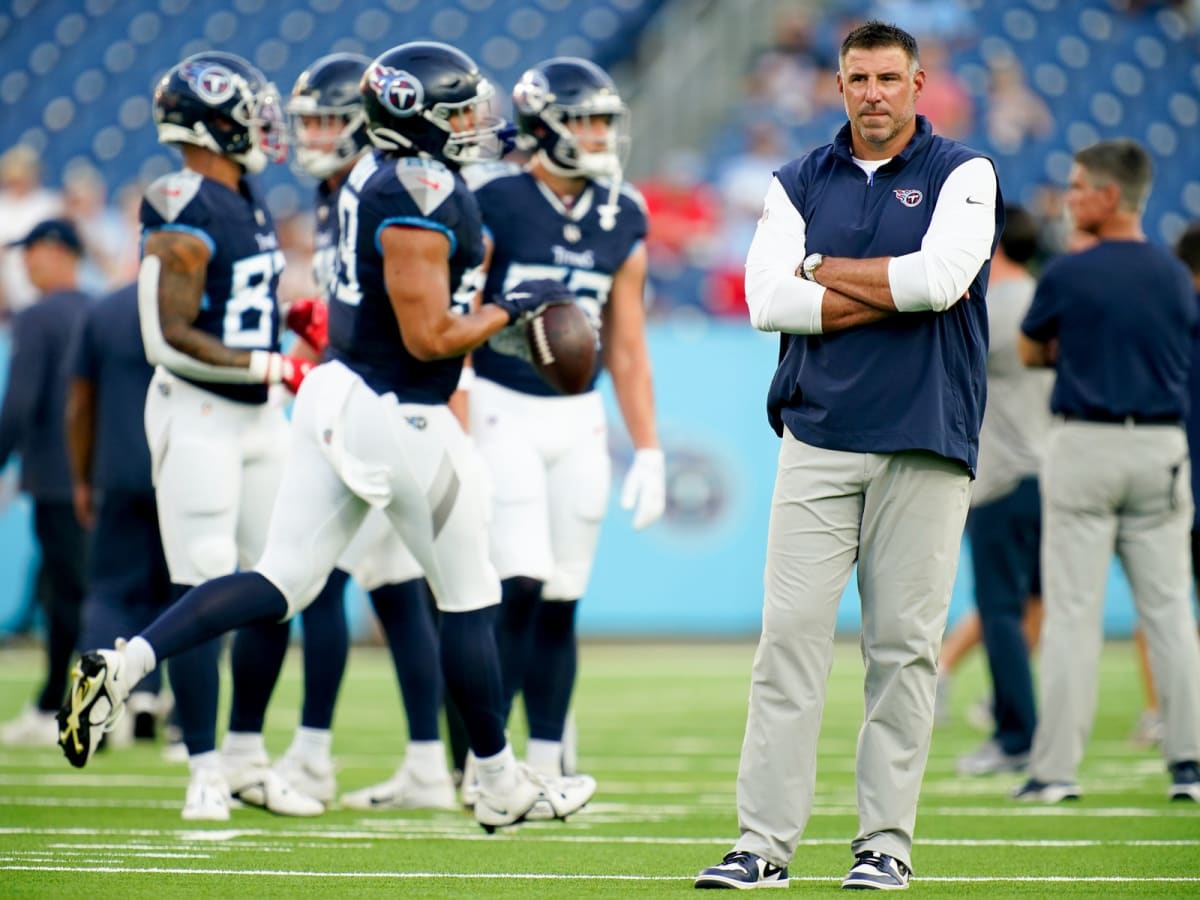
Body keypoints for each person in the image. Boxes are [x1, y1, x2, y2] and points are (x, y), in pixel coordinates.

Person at [56, 40, 596, 832]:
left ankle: (127, 660)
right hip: (398, 409)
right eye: (459, 110)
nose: (476, 122)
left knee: (280, 582)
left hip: (339, 394)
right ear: (418, 117)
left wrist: (494, 312)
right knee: (470, 595)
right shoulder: (419, 186)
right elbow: (429, 336)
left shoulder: (380, 177)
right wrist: (513, 310)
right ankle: (498, 780)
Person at [694, 21, 1002, 891]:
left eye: (888, 78)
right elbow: (764, 299)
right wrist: (885, 285)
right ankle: (762, 845)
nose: (873, 93)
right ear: (838, 86)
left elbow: (940, 282)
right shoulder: (796, 180)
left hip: (926, 435)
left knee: (903, 651)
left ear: (918, 83)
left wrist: (823, 270)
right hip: (818, 435)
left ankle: (885, 846)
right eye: (858, 78)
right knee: (787, 642)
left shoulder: (965, 172)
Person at [123, 50, 321, 821]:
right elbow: (165, 335)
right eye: (252, 110)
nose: (265, 124)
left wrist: (289, 322)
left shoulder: (246, 192)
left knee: (277, 586)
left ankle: (244, 755)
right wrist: (271, 360)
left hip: (257, 414)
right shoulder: (179, 197)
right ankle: (201, 764)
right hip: (200, 412)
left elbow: (236, 300)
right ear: (211, 118)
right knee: (203, 582)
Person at [462, 56, 664, 787]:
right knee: (518, 582)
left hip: (578, 415)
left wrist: (649, 448)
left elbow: (629, 344)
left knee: (562, 598)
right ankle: (488, 762)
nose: (600, 134)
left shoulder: (623, 211)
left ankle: (546, 762)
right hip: (499, 402)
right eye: (585, 119)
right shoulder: (494, 199)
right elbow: (459, 314)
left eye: (606, 120)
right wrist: (456, 416)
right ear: (545, 126)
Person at [266, 50, 456, 810]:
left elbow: (422, 315)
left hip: (381, 407)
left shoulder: (379, 190)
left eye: (322, 119)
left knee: (321, 580)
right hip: (362, 399)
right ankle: (425, 764)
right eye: (303, 119)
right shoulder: (336, 192)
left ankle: (314, 755)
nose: (309, 134)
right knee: (394, 589)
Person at [1014, 139, 1200, 804]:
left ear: (1109, 196)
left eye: (1078, 186)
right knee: (1171, 613)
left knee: (1070, 615)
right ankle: (1190, 765)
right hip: (1160, 448)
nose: (1069, 198)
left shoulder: (1070, 272)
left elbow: (1031, 349)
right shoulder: (1175, 273)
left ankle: (1055, 772)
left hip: (1087, 444)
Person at [955, 204, 1052, 776]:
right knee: (1043, 606)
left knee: (999, 610)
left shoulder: (994, 306)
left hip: (1001, 474)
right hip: (1050, 469)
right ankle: (1034, 725)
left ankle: (1016, 735)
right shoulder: (1044, 294)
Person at [64, 279, 171, 745]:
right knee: (185, 595)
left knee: (110, 594)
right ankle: (176, 714)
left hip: (120, 470)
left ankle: (92, 713)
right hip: (182, 472)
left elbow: (79, 404)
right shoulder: (198, 300)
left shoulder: (105, 310)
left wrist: (83, 475)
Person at [0, 219, 90, 746]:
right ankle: (142, 702)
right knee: (109, 592)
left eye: (31, 251)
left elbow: (20, 403)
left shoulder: (38, 318)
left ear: (56, 251)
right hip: (106, 475)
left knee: (67, 596)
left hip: (58, 478)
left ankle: (58, 703)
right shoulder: (98, 311)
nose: (25, 263)